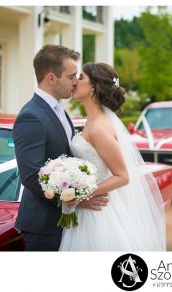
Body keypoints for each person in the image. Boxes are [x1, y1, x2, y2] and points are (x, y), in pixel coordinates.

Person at [59, 62, 166, 251]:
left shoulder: (99, 128)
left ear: (94, 87)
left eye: (81, 77)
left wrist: (81, 196)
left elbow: (122, 176)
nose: (75, 81)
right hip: (88, 207)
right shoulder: (91, 122)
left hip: (99, 212)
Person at [13, 45, 108, 251]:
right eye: (71, 76)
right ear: (51, 78)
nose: (76, 81)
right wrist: (74, 200)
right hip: (44, 225)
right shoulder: (31, 116)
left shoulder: (59, 110)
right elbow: (31, 175)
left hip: (68, 223)